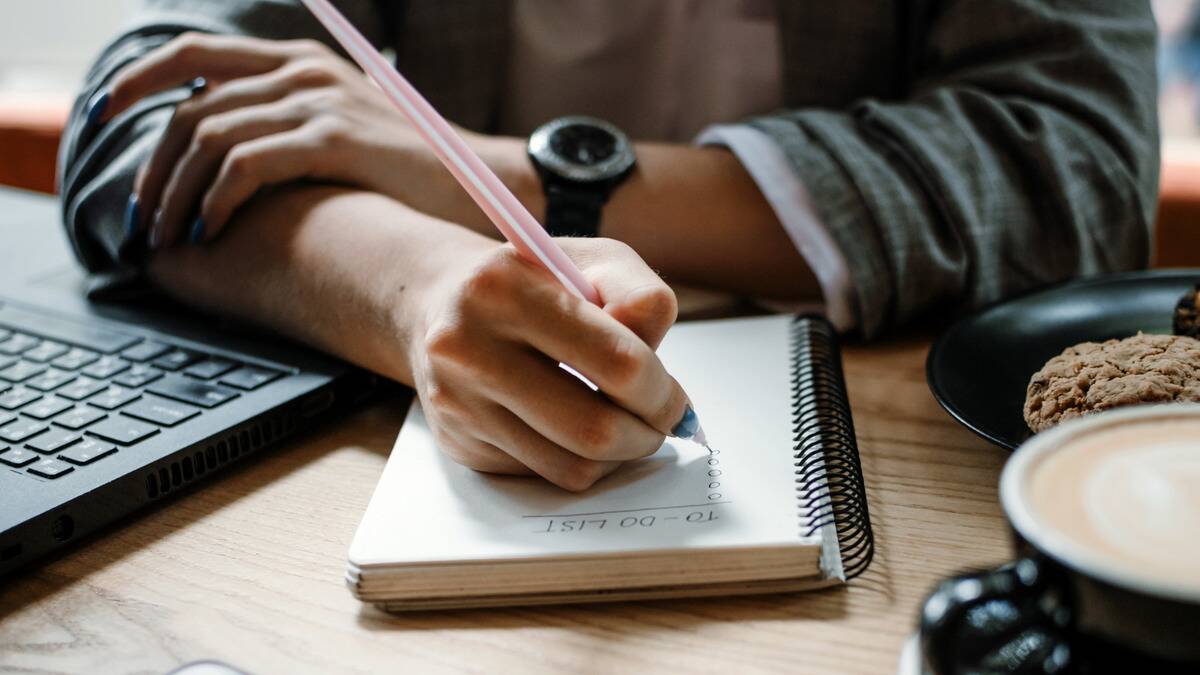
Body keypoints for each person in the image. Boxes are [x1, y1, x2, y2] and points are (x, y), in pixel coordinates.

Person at [59, 1, 1159, 490]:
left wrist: (482, 175)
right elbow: (137, 125)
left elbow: (1076, 168)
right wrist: (414, 281)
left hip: (912, 456)